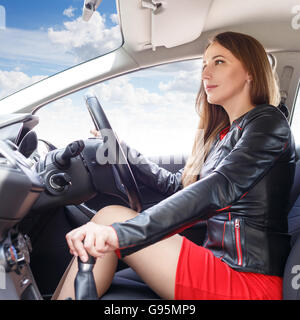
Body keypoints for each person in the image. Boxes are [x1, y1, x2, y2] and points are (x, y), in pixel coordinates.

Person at [53, 31, 295, 300]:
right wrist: (121, 149)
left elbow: (219, 188)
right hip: (219, 261)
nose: (205, 74)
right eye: (203, 65)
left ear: (250, 71)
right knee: (109, 218)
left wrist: (121, 234)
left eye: (219, 62)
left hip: (247, 280)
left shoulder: (268, 124)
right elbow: (177, 185)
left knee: (111, 219)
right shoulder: (222, 135)